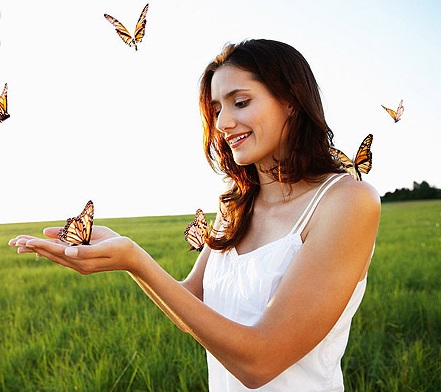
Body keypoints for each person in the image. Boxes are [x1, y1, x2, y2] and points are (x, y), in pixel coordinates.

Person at [9, 39, 381, 391]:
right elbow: (193, 306)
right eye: (217, 109)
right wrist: (126, 257)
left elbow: (261, 361)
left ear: (291, 102)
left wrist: (137, 260)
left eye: (240, 102)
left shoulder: (346, 202)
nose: (222, 123)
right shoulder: (235, 207)